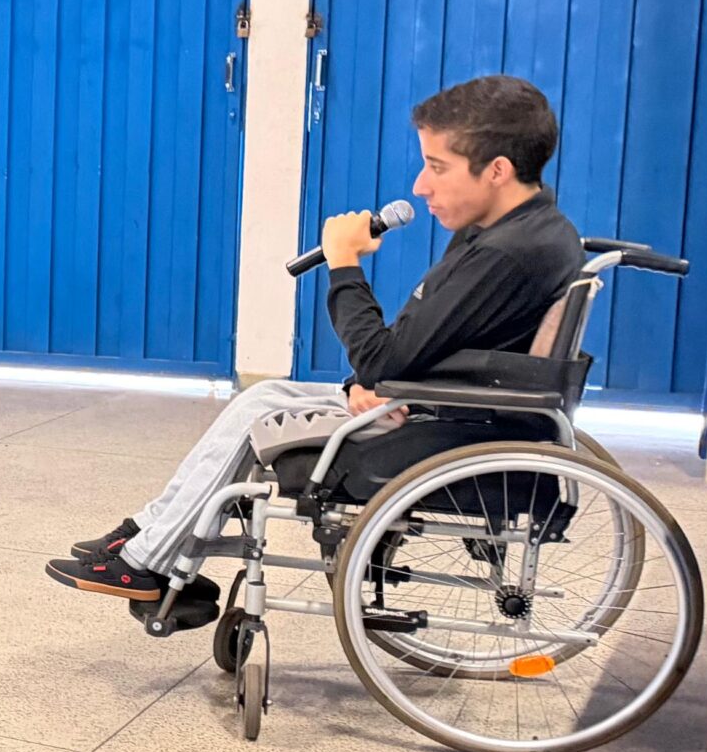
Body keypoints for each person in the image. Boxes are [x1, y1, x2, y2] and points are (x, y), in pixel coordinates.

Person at [43, 75, 588, 620]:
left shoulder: (503, 254)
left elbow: (383, 356)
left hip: (446, 420)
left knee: (259, 411)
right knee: (266, 398)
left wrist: (344, 265)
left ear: (497, 170)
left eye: (437, 167)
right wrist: (366, 382)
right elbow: (428, 343)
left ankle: (146, 557)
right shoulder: (524, 230)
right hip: (441, 397)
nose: (420, 186)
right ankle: (148, 536)